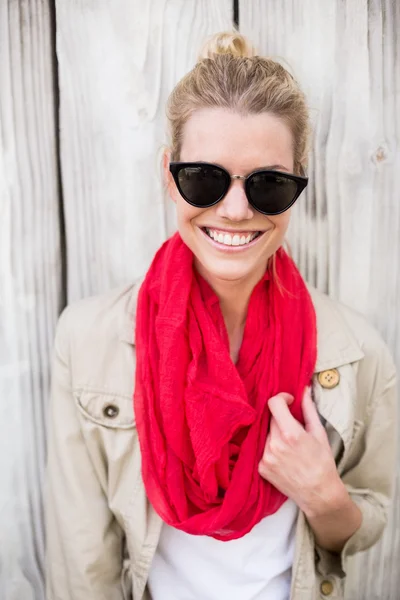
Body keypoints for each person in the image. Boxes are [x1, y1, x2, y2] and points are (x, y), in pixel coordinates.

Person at [45, 31, 397, 600]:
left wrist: (324, 496)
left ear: (297, 186)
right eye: (204, 178)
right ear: (169, 172)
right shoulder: (86, 342)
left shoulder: (359, 353)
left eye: (269, 184)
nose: (235, 210)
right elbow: (83, 564)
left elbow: (368, 518)